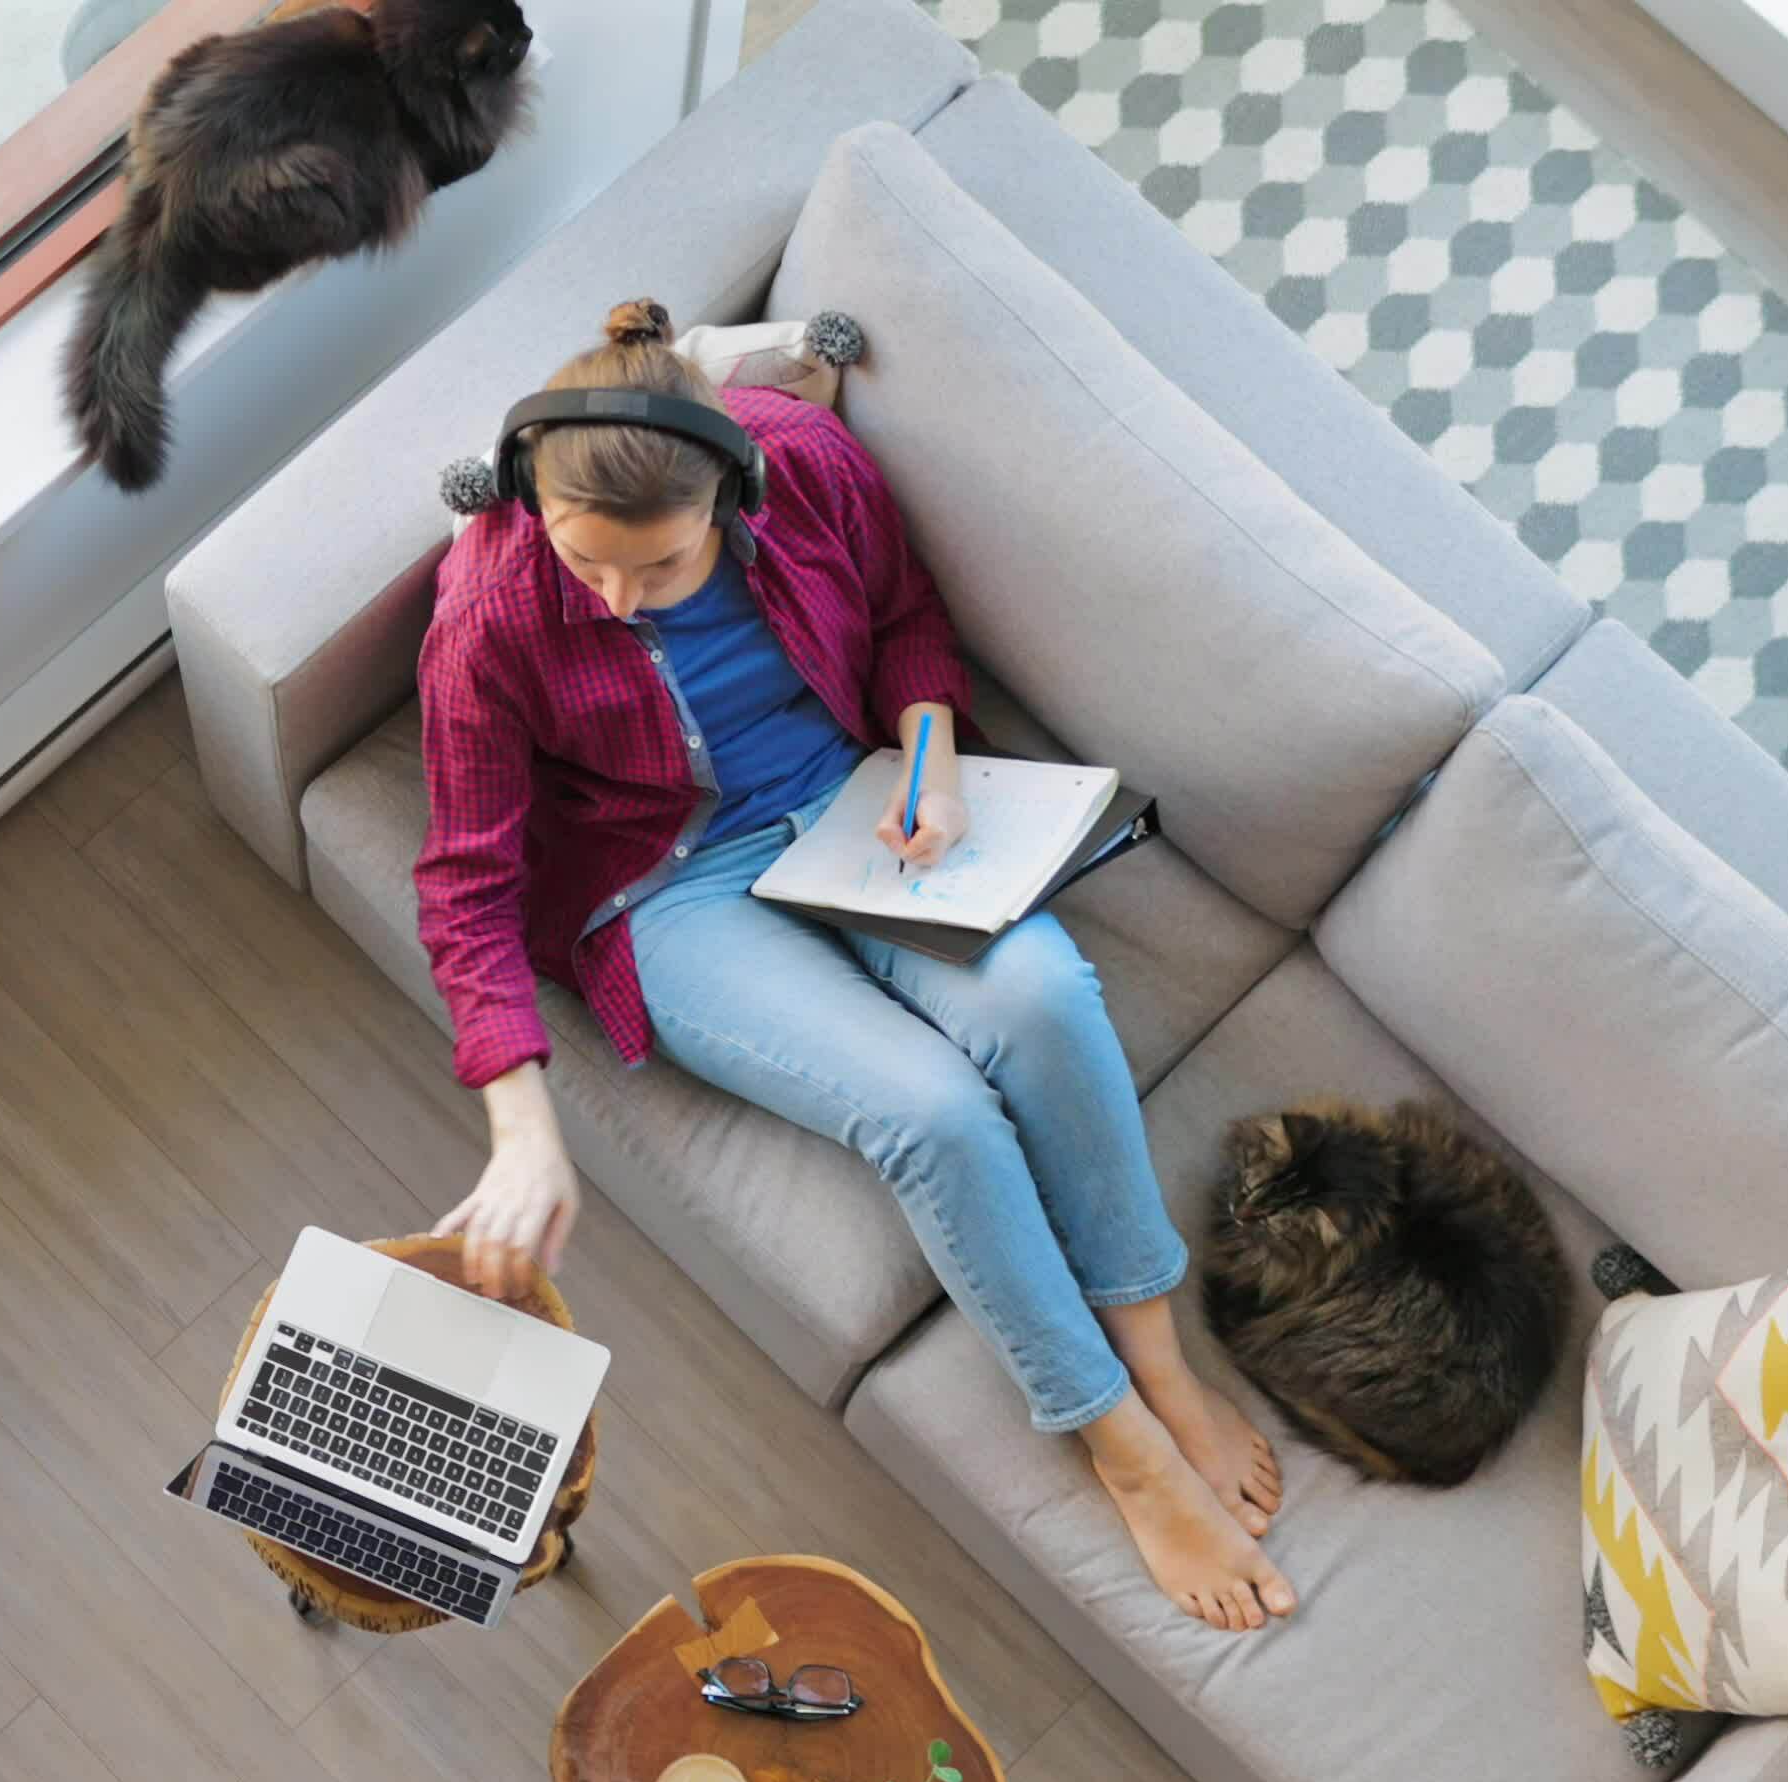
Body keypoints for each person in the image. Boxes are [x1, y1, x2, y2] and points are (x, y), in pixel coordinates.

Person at [413, 299, 1298, 1631]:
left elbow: (901, 618)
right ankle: (1114, 1435)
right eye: (587, 562)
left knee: (1048, 996)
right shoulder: (492, 605)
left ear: (730, 493)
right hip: (669, 884)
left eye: (657, 568)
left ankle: (1158, 1356)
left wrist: (933, 758)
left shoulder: (804, 462)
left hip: (851, 798)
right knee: (930, 1112)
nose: (615, 599)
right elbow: (465, 883)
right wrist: (522, 1130)